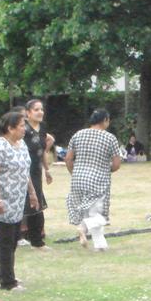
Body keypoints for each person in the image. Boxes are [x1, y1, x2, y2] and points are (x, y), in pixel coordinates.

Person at [0, 111, 39, 290]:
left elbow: (25, 171)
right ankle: (7, 281)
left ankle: (3, 271)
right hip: (2, 199)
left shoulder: (21, 144)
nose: (25, 129)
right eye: (22, 126)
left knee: (14, 238)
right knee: (5, 241)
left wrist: (32, 193)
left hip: (17, 199)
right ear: (10, 128)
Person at [65, 108, 122, 250]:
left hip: (78, 178)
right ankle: (83, 228)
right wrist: (104, 168)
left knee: (88, 212)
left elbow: (68, 159)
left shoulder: (78, 135)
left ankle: (100, 245)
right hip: (97, 180)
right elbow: (116, 164)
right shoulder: (110, 138)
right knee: (100, 215)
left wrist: (75, 172)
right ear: (105, 120)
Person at [21, 99, 54, 250]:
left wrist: (46, 170)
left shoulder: (43, 128)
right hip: (22, 170)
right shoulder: (23, 129)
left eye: (41, 109)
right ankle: (18, 237)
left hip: (35, 171)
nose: (40, 112)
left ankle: (36, 240)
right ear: (28, 113)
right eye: (36, 109)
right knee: (22, 203)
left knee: (36, 204)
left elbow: (42, 151)